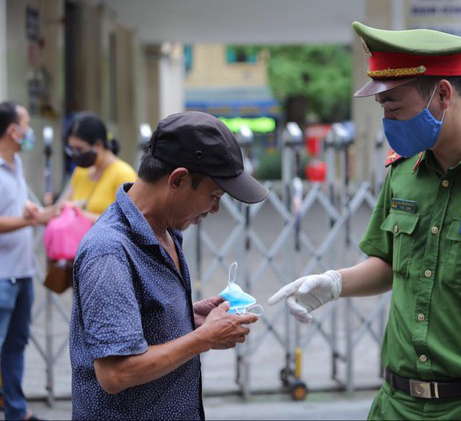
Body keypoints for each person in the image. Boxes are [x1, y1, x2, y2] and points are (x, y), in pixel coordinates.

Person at [269, 22, 461, 420]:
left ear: (443, 95)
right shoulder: (404, 172)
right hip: (395, 404)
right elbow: (388, 263)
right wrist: (334, 283)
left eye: (394, 106)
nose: (387, 122)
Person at [69, 111, 268, 420]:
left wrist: (185, 319)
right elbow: (116, 373)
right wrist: (204, 338)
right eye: (213, 196)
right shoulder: (109, 252)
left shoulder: (166, 232)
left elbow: (140, 327)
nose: (215, 209)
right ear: (178, 179)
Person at [0, 101, 58, 420]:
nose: (29, 133)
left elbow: (11, 205)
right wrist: (34, 221)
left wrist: (28, 211)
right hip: (2, 276)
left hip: (22, 272)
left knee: (15, 346)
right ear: (12, 130)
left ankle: (16, 411)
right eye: (25, 124)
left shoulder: (16, 164)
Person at [60, 112, 137, 222]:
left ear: (98, 145)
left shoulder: (123, 174)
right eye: (72, 149)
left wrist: (80, 214)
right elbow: (61, 206)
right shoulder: (80, 171)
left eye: (79, 149)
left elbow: (129, 222)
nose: (75, 154)